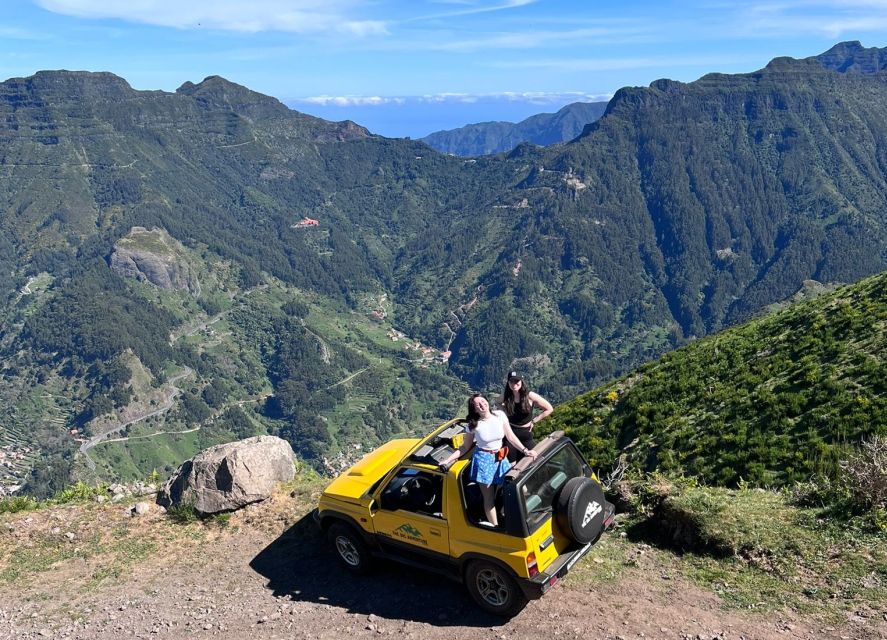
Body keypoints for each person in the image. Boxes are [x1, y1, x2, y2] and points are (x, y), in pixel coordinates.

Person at [438, 393, 537, 527]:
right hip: (484, 460)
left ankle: (510, 514)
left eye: (483, 401)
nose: (482, 405)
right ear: (474, 409)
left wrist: (525, 451)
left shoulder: (500, 416)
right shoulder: (473, 426)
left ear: (487, 402)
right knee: (489, 498)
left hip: (500, 457)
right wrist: (448, 460)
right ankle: (495, 528)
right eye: (478, 404)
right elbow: (464, 447)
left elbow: (511, 436)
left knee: (521, 489)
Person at [499, 371, 553, 463]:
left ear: (521, 381)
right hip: (510, 432)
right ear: (508, 382)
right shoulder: (506, 396)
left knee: (535, 459)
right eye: (511, 381)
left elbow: (549, 408)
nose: (514, 384)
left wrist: (534, 421)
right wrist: (504, 412)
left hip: (525, 433)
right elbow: (497, 402)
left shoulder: (530, 395)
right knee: (512, 464)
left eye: (516, 381)